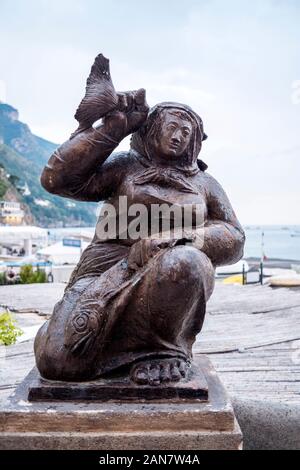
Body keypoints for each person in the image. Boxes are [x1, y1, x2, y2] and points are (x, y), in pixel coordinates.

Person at [34, 90, 245, 386]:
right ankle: (75, 328)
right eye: (171, 127)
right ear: (153, 128)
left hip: (166, 278)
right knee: (56, 362)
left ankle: (161, 352)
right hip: (106, 271)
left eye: (186, 132)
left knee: (185, 261)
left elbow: (234, 236)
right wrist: (112, 130)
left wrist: (183, 238)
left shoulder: (205, 184)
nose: (178, 137)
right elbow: (57, 181)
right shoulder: (125, 167)